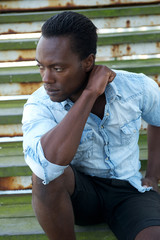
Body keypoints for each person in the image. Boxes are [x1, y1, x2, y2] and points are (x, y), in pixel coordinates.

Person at [22, 11, 160, 240]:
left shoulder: (136, 87)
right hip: (80, 197)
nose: (46, 78)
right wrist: (89, 94)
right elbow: (46, 165)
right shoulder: (39, 105)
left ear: (88, 62)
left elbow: (157, 118)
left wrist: (153, 176)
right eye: (41, 67)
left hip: (130, 191)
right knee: (44, 178)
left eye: (57, 68)